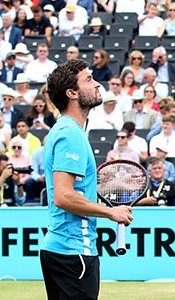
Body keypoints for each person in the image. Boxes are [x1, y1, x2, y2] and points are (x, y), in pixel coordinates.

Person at [40, 59, 133, 299]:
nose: (98, 85)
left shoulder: (66, 130)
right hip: (73, 252)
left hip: (63, 251)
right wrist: (111, 212)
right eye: (89, 80)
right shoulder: (70, 134)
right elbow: (63, 196)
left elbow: (75, 189)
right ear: (72, 93)